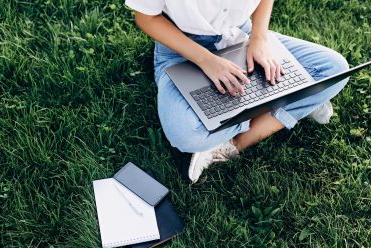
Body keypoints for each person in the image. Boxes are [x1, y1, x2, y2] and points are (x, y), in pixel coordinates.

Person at [125, 0, 349, 183]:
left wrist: (259, 38)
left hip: (239, 33)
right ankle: (293, 99)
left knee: (334, 69)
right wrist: (206, 60)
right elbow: (147, 17)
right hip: (181, 47)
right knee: (186, 134)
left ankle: (231, 145)